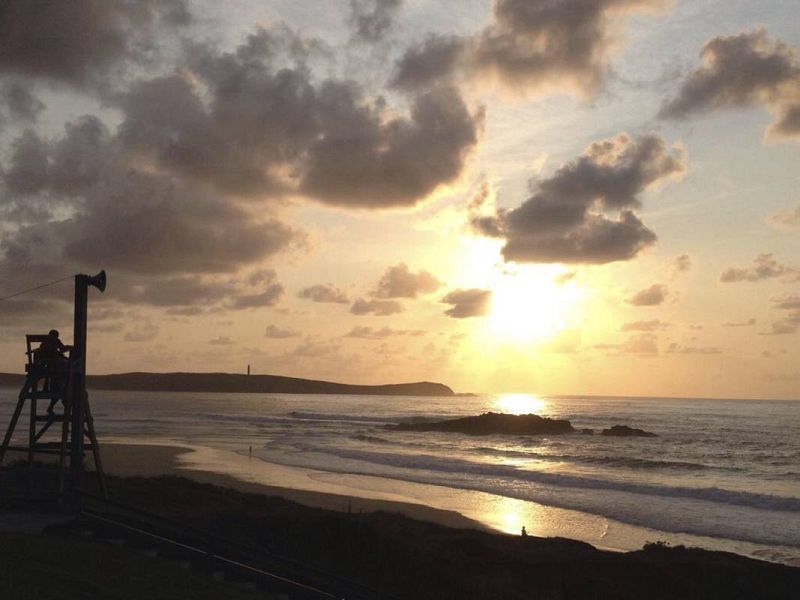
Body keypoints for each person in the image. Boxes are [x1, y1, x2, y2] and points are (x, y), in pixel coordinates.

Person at [35, 330, 72, 412]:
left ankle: (52, 405)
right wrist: (69, 348)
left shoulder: (45, 341)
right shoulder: (54, 340)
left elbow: (58, 350)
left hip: (46, 363)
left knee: (58, 385)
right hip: (54, 364)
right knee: (67, 366)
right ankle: (63, 387)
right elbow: (62, 349)